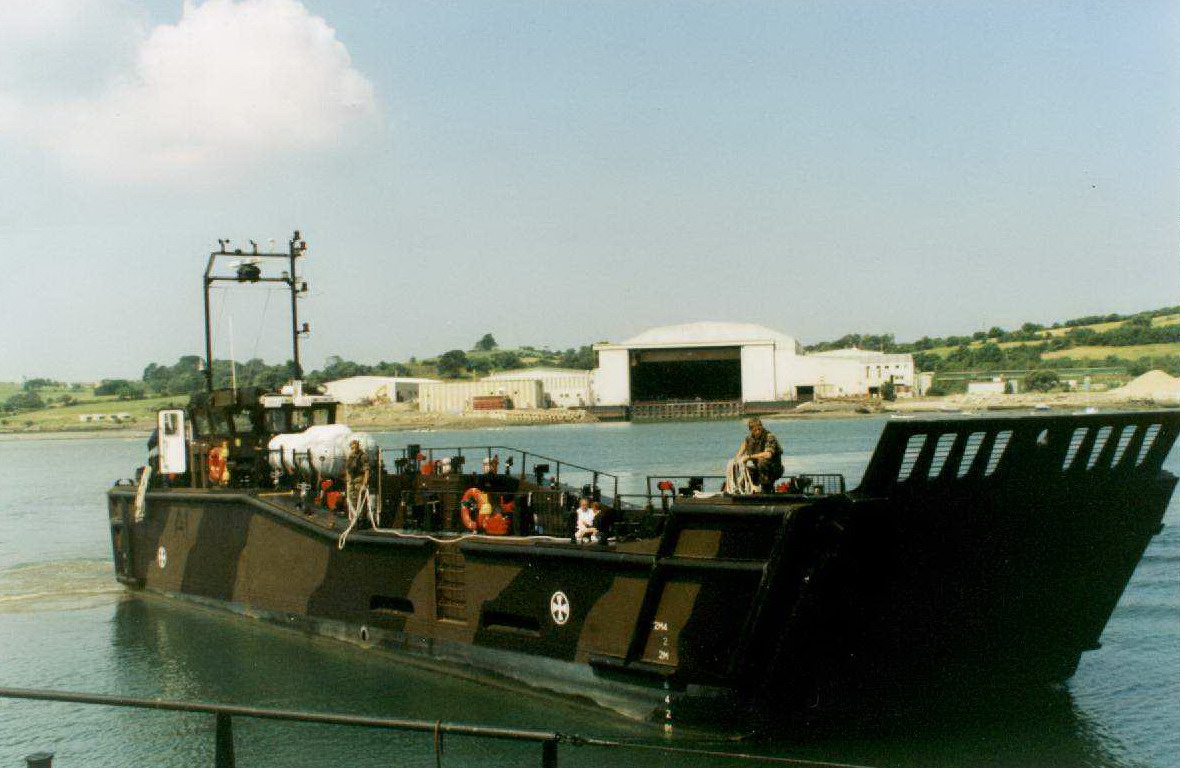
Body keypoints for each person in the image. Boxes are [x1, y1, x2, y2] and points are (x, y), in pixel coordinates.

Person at [735, 417, 783, 492]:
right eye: (755, 430)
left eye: (759, 429)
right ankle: (741, 488)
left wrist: (749, 457)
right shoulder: (749, 439)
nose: (758, 432)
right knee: (740, 467)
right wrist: (737, 460)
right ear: (751, 430)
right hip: (758, 469)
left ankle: (767, 488)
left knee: (762, 461)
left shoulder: (769, 437)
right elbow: (740, 452)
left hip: (774, 469)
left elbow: (768, 454)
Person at [344, 439, 370, 514]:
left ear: (358, 447)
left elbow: (367, 470)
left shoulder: (363, 456)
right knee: (351, 499)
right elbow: (347, 468)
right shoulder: (350, 456)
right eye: (352, 448)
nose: (354, 450)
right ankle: (353, 515)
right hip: (351, 480)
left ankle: (361, 516)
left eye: (355, 448)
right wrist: (348, 480)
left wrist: (365, 483)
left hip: (359, 480)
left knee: (360, 499)